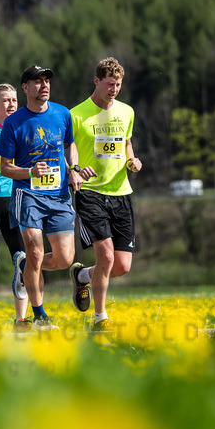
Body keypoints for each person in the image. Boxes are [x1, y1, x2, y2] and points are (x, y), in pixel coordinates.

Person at [0, 65, 83, 330]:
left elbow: (70, 146)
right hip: (28, 194)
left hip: (58, 196)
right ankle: (39, 316)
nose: (44, 85)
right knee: (34, 252)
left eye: (46, 81)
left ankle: (25, 268)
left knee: (64, 259)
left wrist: (74, 170)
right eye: (37, 81)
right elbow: (4, 167)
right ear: (25, 88)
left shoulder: (62, 113)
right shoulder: (14, 122)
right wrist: (29, 171)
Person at [69, 58, 143, 332]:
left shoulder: (126, 111)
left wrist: (132, 160)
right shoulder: (76, 114)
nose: (114, 89)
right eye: (110, 84)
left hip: (121, 192)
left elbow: (126, 143)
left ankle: (82, 274)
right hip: (90, 193)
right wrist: (74, 169)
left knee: (122, 266)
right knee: (108, 258)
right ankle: (101, 319)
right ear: (96, 81)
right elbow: (71, 147)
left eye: (119, 84)